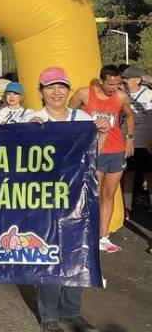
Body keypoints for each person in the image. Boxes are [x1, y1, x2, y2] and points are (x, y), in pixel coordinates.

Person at [29, 67, 107, 332]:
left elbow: (97, 153)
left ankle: (71, 312)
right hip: (44, 199)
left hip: (77, 198)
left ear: (68, 90)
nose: (56, 92)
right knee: (48, 253)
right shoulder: (34, 118)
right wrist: (29, 132)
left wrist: (103, 131)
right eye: (50, 87)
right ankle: (49, 314)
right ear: (41, 92)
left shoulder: (82, 117)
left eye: (61, 86)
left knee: (76, 252)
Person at [69, 64, 134, 253]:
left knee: (109, 194)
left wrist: (130, 138)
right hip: (94, 151)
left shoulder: (121, 96)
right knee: (92, 194)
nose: (114, 88)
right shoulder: (84, 94)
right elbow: (68, 115)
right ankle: (87, 233)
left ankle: (103, 236)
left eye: (117, 83)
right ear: (101, 81)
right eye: (110, 84)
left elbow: (129, 115)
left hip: (116, 150)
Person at [120, 67, 152, 214]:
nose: (125, 81)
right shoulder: (121, 94)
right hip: (128, 142)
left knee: (149, 175)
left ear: (138, 80)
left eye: (128, 79)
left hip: (147, 143)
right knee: (128, 175)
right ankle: (127, 207)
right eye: (124, 79)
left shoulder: (149, 94)